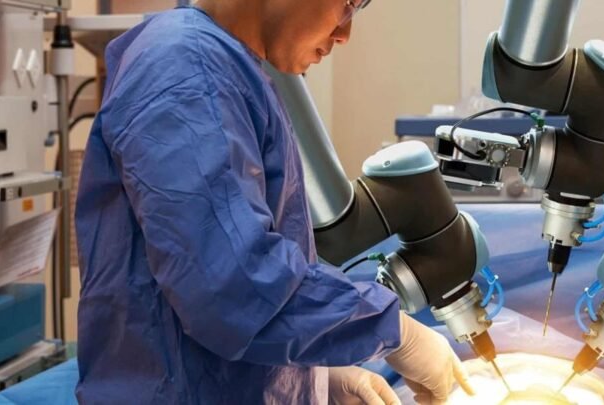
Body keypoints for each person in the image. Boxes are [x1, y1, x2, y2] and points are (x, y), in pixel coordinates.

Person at [74, 1, 472, 404]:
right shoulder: (187, 74)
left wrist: (311, 376)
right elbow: (231, 288)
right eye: (348, 4)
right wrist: (392, 331)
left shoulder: (225, 68)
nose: (344, 34)